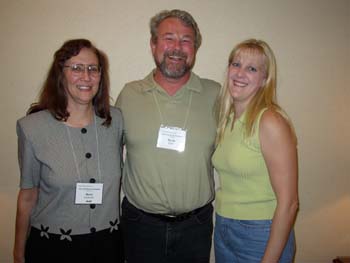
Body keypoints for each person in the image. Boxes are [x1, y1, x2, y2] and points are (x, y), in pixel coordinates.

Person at [116, 9, 220, 263]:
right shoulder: (129, 95)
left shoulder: (216, 94)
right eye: (169, 38)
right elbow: (106, 151)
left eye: (186, 40)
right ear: (153, 44)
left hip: (196, 225)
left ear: (194, 48)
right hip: (141, 224)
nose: (177, 47)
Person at [13, 39, 124, 263]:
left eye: (93, 69)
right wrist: (18, 253)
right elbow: (27, 196)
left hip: (107, 245)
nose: (86, 76)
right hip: (52, 248)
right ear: (60, 74)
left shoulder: (116, 121)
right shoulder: (32, 128)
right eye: (76, 68)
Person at [212, 39, 299, 263]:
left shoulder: (270, 121)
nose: (240, 73)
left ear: (264, 79)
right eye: (236, 64)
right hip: (224, 227)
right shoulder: (228, 119)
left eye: (252, 68)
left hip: (260, 233)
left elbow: (289, 204)